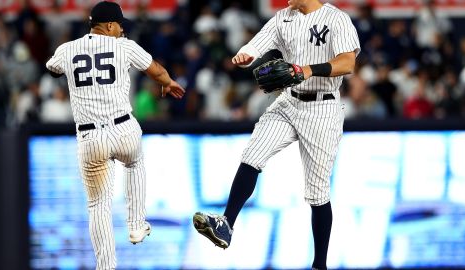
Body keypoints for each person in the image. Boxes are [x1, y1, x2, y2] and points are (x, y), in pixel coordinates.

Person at [192, 0, 360, 269]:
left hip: (323, 107)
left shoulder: (336, 19)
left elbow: (347, 62)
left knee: (317, 192)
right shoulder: (284, 17)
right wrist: (246, 53)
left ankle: (320, 264)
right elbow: (259, 42)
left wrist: (308, 70)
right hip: (288, 101)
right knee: (252, 154)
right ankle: (226, 225)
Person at [45, 2, 185, 269]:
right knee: (134, 162)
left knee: (98, 204)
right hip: (123, 128)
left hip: (90, 137)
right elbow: (154, 69)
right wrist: (168, 82)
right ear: (109, 25)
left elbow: (52, 68)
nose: (122, 30)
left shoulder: (67, 49)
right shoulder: (124, 46)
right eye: (120, 25)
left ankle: (106, 266)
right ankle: (136, 225)